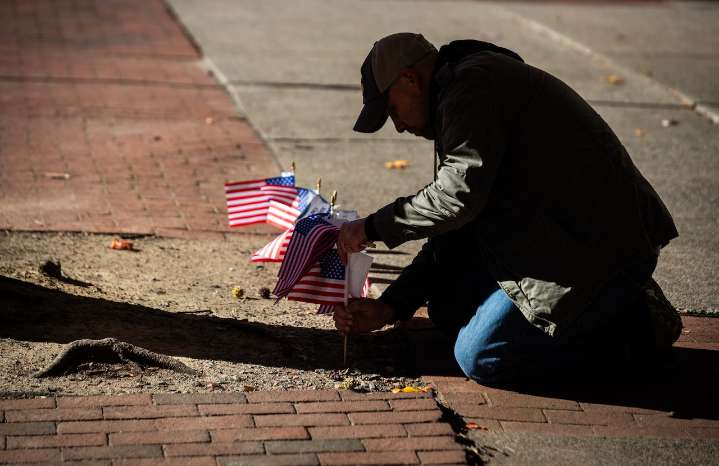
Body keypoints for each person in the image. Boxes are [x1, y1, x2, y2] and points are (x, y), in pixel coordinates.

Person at [333, 32, 682, 385]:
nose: (399, 125)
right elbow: (457, 227)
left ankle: (636, 326)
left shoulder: (473, 90)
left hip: (601, 254)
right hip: (561, 242)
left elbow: (456, 201)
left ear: (410, 79)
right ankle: (609, 312)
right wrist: (391, 305)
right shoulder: (456, 92)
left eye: (392, 109)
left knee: (482, 356)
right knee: (448, 304)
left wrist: (372, 228)